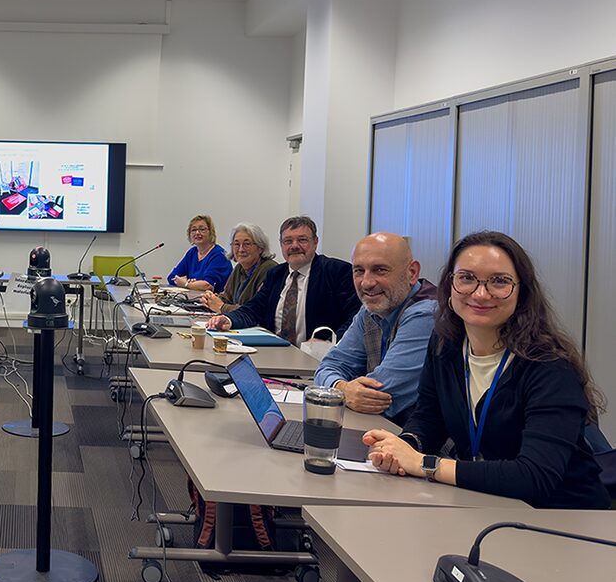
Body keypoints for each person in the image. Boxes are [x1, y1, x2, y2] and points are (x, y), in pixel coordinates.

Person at [364, 231, 608, 509]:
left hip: (562, 517)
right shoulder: (445, 344)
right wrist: (402, 448)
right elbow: (429, 417)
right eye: (466, 278)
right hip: (485, 502)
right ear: (450, 284)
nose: (480, 294)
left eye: (499, 281)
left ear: (522, 292)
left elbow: (534, 476)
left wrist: (424, 463)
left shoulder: (550, 367)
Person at [313, 233, 436, 424]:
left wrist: (339, 390)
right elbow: (329, 366)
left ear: (412, 273)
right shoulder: (370, 310)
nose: (366, 283)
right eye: (359, 271)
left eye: (380, 270)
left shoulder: (426, 313)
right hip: (382, 428)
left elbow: (377, 395)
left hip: (416, 436)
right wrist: (342, 388)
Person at [207, 216, 359, 343]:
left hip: (318, 359)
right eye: (288, 241)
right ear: (281, 245)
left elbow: (355, 318)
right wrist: (228, 319)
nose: (294, 246)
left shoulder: (337, 272)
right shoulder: (276, 274)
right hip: (276, 352)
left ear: (315, 242)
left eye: (302, 240)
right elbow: (254, 309)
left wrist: (330, 343)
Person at [200, 223, 277, 314]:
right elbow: (226, 297)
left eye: (247, 244)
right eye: (236, 244)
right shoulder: (239, 268)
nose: (241, 249)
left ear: (260, 247)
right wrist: (210, 299)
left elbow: (256, 312)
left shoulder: (269, 270)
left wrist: (222, 307)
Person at [167, 215, 232, 292]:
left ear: (211, 232)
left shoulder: (219, 255)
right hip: (194, 297)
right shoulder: (192, 253)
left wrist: (186, 284)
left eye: (202, 229)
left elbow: (207, 285)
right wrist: (192, 284)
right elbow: (172, 277)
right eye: (194, 230)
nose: (197, 233)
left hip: (215, 298)